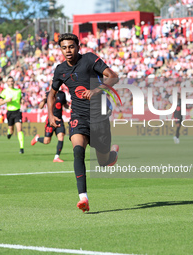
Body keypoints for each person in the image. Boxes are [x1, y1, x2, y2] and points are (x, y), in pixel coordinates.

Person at [48, 33, 119, 212]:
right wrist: (50, 114)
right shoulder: (60, 69)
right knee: (78, 151)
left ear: (78, 47)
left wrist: (96, 90)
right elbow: (52, 93)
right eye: (64, 48)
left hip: (99, 115)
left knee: (102, 161)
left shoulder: (89, 59)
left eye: (71, 47)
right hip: (78, 115)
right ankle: (83, 198)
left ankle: (111, 156)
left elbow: (113, 76)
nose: (68, 51)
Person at [31, 89, 69, 162]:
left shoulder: (62, 94)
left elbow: (65, 105)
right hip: (50, 120)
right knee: (46, 141)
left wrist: (71, 108)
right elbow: (40, 106)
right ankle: (37, 139)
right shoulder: (48, 94)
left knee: (61, 136)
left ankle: (56, 157)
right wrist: (43, 99)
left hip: (59, 120)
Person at [0, 76, 25, 154]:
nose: (11, 82)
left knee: (19, 129)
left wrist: (22, 100)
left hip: (17, 111)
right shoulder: (5, 91)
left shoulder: (18, 91)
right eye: (9, 81)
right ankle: (9, 133)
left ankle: (21, 148)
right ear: (7, 83)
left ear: (14, 82)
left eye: (12, 81)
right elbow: (0, 103)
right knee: (12, 130)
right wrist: (6, 100)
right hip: (10, 112)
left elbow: (21, 98)